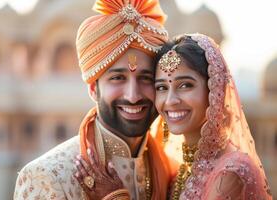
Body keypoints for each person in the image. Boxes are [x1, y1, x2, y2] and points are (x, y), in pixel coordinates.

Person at [75, 33, 273, 200]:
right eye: (161, 87)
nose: (170, 100)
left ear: (215, 90)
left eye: (185, 85)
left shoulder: (231, 172)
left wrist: (113, 195)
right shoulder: (176, 166)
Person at [13, 0, 175, 199]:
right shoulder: (47, 176)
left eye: (146, 78)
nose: (133, 96)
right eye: (117, 78)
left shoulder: (167, 170)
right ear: (93, 89)